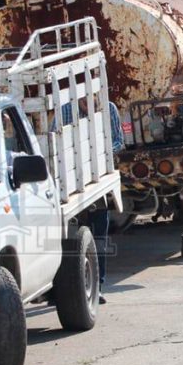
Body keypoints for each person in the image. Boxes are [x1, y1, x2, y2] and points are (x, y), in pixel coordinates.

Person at [59, 96, 124, 305]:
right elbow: (56, 144)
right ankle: (72, 289)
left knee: (99, 238)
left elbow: (118, 141)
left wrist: (98, 155)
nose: (89, 104)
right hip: (73, 187)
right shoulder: (65, 112)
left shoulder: (109, 107)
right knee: (73, 240)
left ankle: (99, 286)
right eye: (84, 102)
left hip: (98, 184)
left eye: (93, 101)